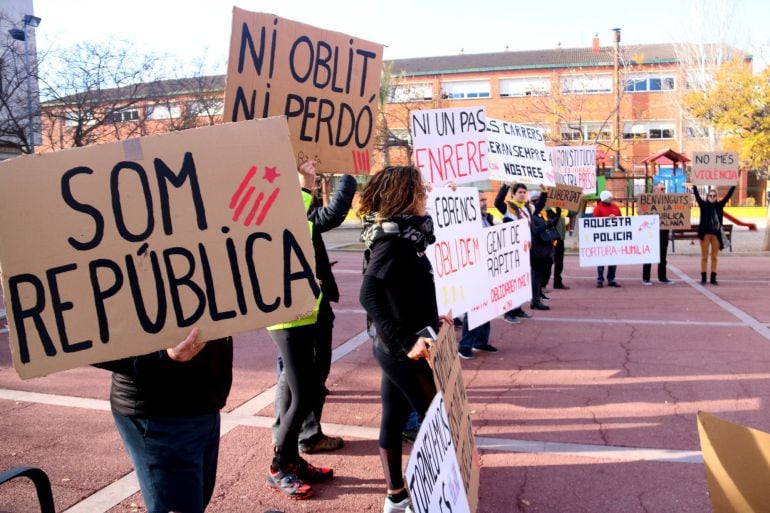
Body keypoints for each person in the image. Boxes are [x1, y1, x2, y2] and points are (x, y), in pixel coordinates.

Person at [358, 165, 449, 513]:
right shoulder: (393, 241)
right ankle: (433, 500)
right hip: (402, 351)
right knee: (434, 420)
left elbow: (406, 291)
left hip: (402, 345)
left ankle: (396, 497)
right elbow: (369, 296)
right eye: (421, 190)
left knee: (393, 418)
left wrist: (432, 318)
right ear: (407, 195)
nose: (426, 195)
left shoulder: (409, 237)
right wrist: (407, 340)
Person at [265, 161, 355, 499]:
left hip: (311, 310)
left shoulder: (296, 212)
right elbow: (309, 214)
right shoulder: (273, 215)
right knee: (301, 393)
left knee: (310, 390)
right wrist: (309, 182)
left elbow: (309, 211)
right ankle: (278, 467)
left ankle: (293, 459)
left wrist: (307, 180)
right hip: (287, 317)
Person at [95, 329, 233, 513]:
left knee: (193, 502)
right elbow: (88, 342)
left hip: (204, 405)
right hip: (160, 415)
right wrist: (163, 355)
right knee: (181, 505)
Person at [495, 183, 548, 315]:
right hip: (512, 250)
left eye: (524, 192)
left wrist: (545, 192)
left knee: (522, 280)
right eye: (520, 192)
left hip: (527, 249)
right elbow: (497, 202)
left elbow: (539, 206)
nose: (523, 194)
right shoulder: (508, 207)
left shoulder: (527, 207)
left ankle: (518, 308)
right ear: (513, 194)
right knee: (511, 280)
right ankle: (509, 310)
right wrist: (505, 187)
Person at [457, 193, 498, 360]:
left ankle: (480, 341)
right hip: (473, 271)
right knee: (474, 308)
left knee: (486, 307)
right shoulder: (467, 222)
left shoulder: (486, 218)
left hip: (487, 270)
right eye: (481, 200)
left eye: (485, 200)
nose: (484, 203)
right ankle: (465, 345)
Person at [693, 184, 735, 285]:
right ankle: (703, 277)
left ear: (716, 197)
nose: (712, 197)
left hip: (716, 234)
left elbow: (728, 196)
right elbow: (697, 195)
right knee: (704, 256)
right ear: (707, 197)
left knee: (714, 256)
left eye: (714, 196)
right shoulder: (703, 205)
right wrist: (694, 186)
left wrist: (733, 186)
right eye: (710, 196)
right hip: (705, 234)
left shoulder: (719, 205)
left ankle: (713, 277)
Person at [642, 181, 674, 285]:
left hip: (664, 231)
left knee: (663, 256)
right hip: (651, 233)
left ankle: (662, 277)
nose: (664, 191)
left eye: (664, 189)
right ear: (655, 190)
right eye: (662, 189)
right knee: (649, 255)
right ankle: (646, 278)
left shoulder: (668, 201)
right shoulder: (648, 201)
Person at [594, 190, 622, 288]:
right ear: (605, 198)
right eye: (610, 197)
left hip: (613, 237)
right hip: (602, 238)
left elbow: (621, 220)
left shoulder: (615, 207)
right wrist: (607, 219)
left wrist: (616, 218)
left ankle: (611, 279)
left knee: (613, 259)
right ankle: (600, 279)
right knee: (601, 260)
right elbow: (595, 223)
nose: (612, 199)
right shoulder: (598, 209)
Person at [549, 206, 570, 289]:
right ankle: (542, 285)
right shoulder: (548, 209)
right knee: (548, 263)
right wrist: (557, 213)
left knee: (559, 262)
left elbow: (573, 212)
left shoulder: (563, 210)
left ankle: (557, 282)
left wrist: (579, 201)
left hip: (560, 239)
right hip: (551, 239)